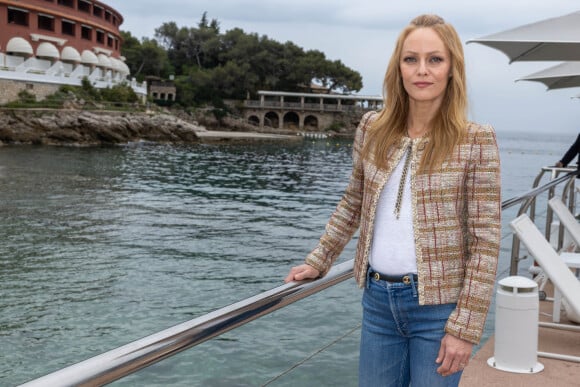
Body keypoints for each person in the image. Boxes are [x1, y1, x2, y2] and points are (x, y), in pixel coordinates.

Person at [284, 14, 501, 387]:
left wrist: (465, 328)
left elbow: (485, 240)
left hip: (439, 310)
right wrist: (318, 260)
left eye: (435, 59)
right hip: (378, 302)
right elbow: (353, 202)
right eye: (410, 59)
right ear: (398, 68)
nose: (422, 70)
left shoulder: (475, 140)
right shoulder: (372, 128)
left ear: (452, 69)